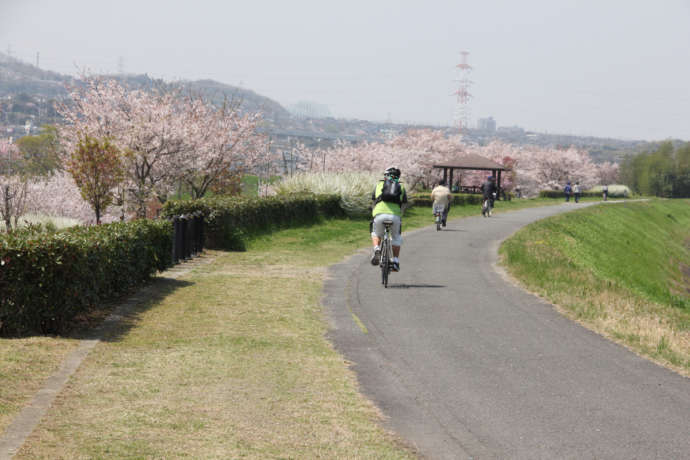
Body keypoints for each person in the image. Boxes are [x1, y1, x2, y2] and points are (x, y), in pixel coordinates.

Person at [370, 166, 407, 272]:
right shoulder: (401, 187)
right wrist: (400, 215)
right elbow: (404, 204)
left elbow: (373, 201)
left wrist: (374, 212)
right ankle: (395, 261)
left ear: (385, 176)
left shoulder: (378, 185)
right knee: (396, 238)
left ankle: (377, 249)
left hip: (379, 214)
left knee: (376, 233)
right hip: (395, 216)